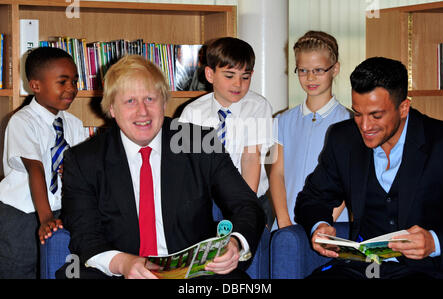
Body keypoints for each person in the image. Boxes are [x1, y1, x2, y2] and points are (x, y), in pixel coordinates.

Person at [58, 55, 265, 279]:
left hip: (193, 273)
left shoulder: (200, 143)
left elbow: (246, 205)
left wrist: (234, 243)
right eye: (130, 101)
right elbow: (85, 234)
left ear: (164, 103)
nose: (143, 112)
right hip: (120, 271)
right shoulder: (83, 160)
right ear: (112, 108)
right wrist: (123, 263)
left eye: (150, 99)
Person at [295, 56, 443, 279]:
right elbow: (312, 198)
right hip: (363, 268)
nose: (365, 126)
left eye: (376, 115)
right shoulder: (343, 139)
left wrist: (434, 242)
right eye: (357, 113)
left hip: (425, 270)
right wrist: (320, 225)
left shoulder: (442, 143)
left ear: (404, 107)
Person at [0, 46, 88, 278]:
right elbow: (35, 169)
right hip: (21, 213)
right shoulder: (22, 121)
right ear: (36, 85)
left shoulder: (74, 124)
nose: (71, 88)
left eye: (75, 81)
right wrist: (45, 217)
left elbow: (81, 169)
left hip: (60, 210)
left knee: (54, 269)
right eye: (62, 82)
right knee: (19, 268)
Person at [179, 37, 274, 226]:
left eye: (245, 77)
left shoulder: (258, 107)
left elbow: (251, 158)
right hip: (207, 202)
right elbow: (188, 167)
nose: (238, 84)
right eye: (229, 76)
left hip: (251, 197)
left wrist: (245, 209)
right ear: (210, 74)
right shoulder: (193, 112)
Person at [270, 31, 349, 231]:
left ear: (335, 69)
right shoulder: (282, 120)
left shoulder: (351, 122)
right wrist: (284, 221)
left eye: (319, 70)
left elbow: (350, 181)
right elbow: (277, 173)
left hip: (331, 226)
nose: (310, 77)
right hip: (286, 227)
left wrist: (321, 224)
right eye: (303, 70)